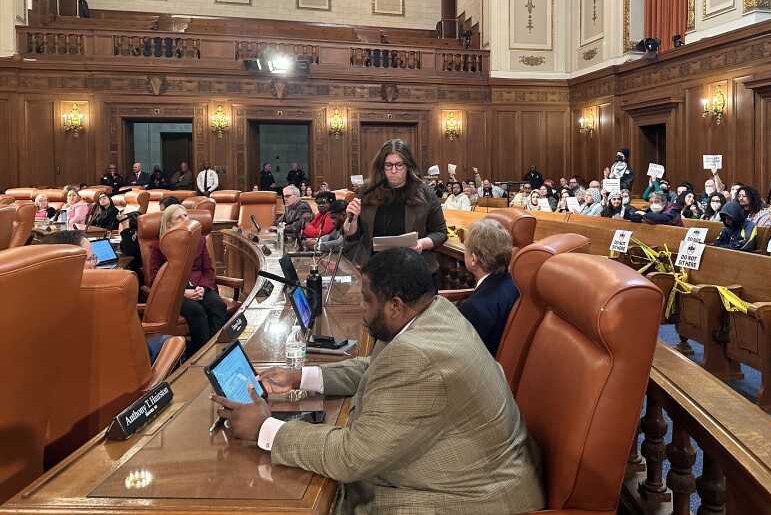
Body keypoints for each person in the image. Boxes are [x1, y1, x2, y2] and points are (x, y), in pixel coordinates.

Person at [211, 247, 545, 514]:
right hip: (476, 469)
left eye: (367, 300)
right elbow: (377, 366)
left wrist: (265, 429)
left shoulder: (419, 359)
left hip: (472, 498)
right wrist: (301, 376)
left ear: (395, 306)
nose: (360, 308)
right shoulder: (435, 311)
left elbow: (350, 457)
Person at [43, 229, 173, 362]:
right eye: (91, 258)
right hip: (124, 368)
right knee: (169, 341)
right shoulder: (109, 297)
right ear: (70, 264)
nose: (97, 262)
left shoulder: (38, 305)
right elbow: (130, 349)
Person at [343, 138, 448, 281]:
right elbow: (353, 236)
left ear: (409, 165)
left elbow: (441, 233)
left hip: (415, 272)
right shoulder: (368, 190)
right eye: (388, 165)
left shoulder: (425, 192)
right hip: (376, 272)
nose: (393, 171)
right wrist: (352, 220)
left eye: (399, 165)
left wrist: (421, 244)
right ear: (381, 166)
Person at [149, 205, 227, 356]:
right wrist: (183, 293)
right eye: (179, 217)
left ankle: (205, 351)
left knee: (218, 306)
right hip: (174, 293)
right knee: (197, 311)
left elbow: (208, 270)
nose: (185, 219)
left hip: (199, 286)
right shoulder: (157, 246)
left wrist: (203, 288)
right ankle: (202, 355)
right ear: (169, 224)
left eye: (186, 216)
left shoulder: (200, 241)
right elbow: (155, 279)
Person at [459, 219, 520, 356]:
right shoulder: (516, 284)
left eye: (465, 249)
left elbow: (463, 356)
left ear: (473, 259)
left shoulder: (473, 308)